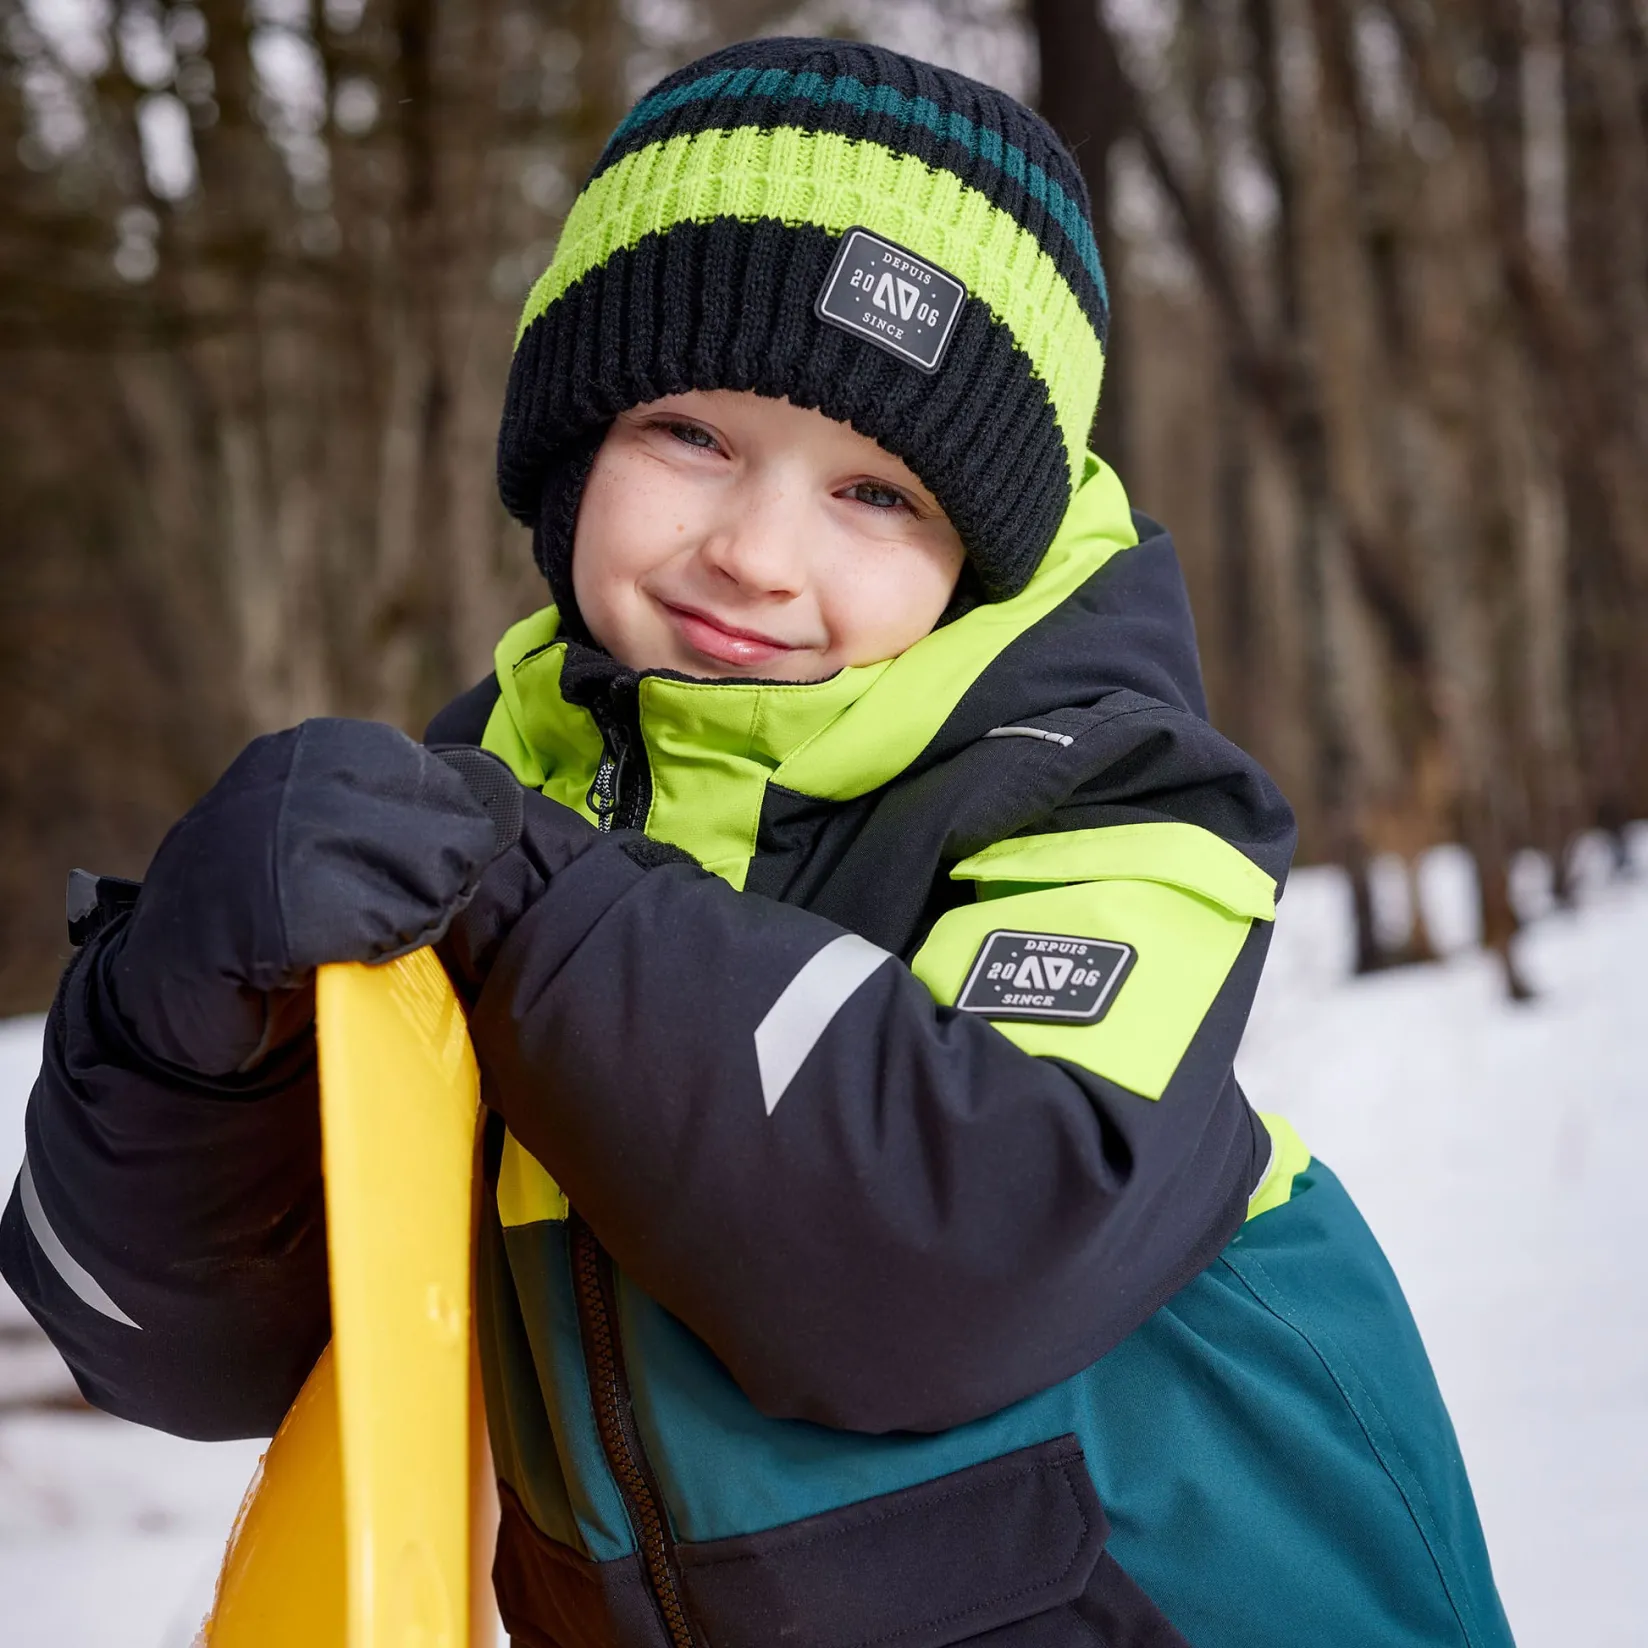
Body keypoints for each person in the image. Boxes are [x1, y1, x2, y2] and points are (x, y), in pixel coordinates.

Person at [2, 37, 1513, 1648]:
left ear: (982, 555)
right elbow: (198, 1362)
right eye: (692, 436)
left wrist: (543, 912)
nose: (757, 555)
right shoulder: (485, 805)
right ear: (574, 447)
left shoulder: (1120, 809)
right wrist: (173, 1032)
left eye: (878, 494)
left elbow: (965, 1257)